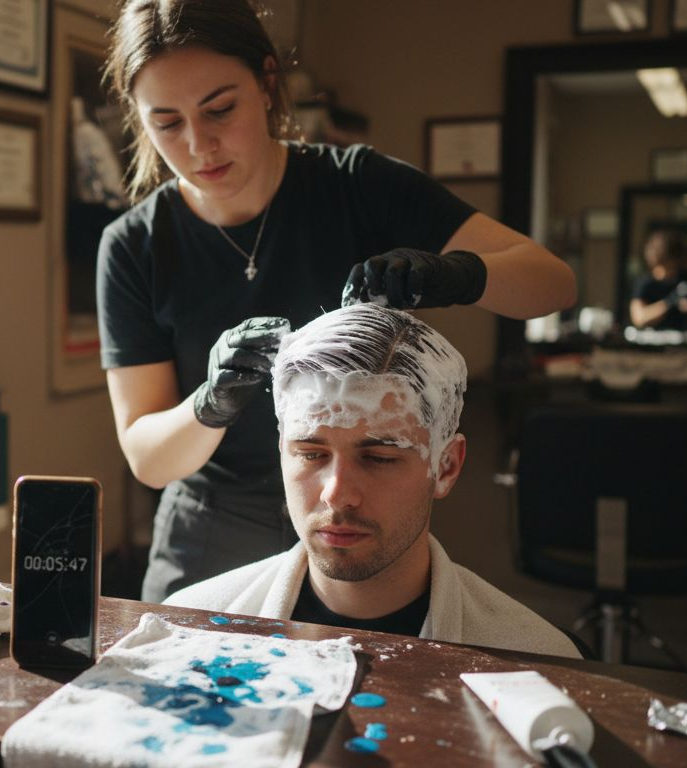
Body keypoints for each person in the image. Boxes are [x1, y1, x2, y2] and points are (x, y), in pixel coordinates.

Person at [98, 0, 577, 602]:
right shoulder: (133, 246)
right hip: (213, 530)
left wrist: (454, 274)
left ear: (268, 83)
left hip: (356, 514)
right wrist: (210, 402)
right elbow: (148, 458)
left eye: (221, 109)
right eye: (167, 123)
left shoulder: (359, 186)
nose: (199, 145)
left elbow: (552, 282)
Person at [165, 304, 581, 658]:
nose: (336, 493)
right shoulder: (193, 634)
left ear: (447, 466)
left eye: (379, 458)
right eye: (311, 454)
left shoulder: (535, 661)